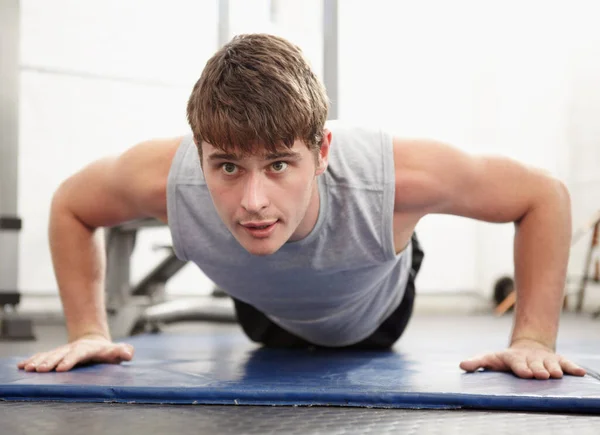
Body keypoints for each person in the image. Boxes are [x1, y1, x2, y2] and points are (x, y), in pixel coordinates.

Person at [18, 34, 585, 380]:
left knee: (382, 244)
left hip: (375, 313)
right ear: (200, 151)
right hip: (265, 312)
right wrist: (88, 330)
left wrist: (532, 339)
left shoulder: (394, 178)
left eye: (279, 165)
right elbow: (72, 204)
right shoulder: (163, 174)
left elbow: (543, 197)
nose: (254, 202)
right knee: (260, 255)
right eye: (228, 167)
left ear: (322, 151)